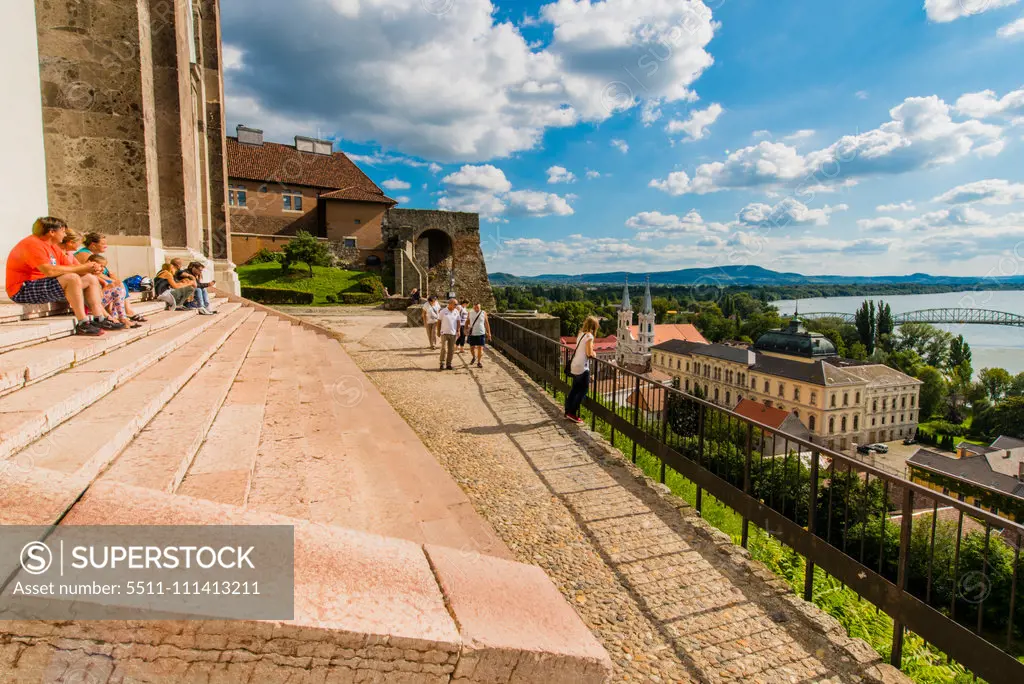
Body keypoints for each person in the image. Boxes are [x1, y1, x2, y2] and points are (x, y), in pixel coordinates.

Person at [5, 217, 121, 336]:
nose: (65, 234)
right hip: (22, 289)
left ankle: (99, 318)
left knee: (90, 279)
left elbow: (72, 267)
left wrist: (92, 270)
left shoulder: (53, 246)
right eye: (63, 231)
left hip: (42, 284)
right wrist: (83, 268)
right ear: (52, 232)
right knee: (72, 278)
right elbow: (49, 271)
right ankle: (83, 323)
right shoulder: (32, 244)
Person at [75, 232, 146, 323]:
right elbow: (92, 272)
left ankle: (124, 312)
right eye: (103, 244)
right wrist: (111, 279)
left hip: (99, 281)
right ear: (93, 245)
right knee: (117, 284)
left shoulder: (92, 254)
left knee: (119, 283)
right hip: (93, 283)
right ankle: (123, 313)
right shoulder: (85, 254)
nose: (106, 246)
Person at [564, 316, 599, 424]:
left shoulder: (581, 334)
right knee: (583, 390)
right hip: (582, 367)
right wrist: (594, 353)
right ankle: (573, 413)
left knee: (574, 389)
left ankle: (567, 411)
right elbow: (589, 353)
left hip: (574, 365)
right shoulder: (589, 336)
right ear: (594, 327)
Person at [88, 254, 137, 328]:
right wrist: (108, 287)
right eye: (101, 266)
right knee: (118, 291)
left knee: (119, 290)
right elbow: (94, 296)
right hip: (92, 305)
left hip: (100, 303)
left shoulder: (98, 276)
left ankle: (118, 316)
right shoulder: (90, 277)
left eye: (104, 267)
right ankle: (121, 318)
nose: (103, 269)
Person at [437, 298, 460, 371]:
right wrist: (438, 331)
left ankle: (449, 364)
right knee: (444, 348)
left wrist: (458, 330)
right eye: (455, 304)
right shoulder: (443, 311)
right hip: (444, 332)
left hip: (453, 333)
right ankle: (442, 363)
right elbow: (439, 321)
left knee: (451, 349)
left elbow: (458, 321)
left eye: (457, 304)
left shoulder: (456, 311)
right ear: (450, 304)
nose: (456, 305)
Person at [466, 302, 491, 369]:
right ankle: (474, 357)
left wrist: (489, 333)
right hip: (472, 333)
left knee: (480, 348)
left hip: (481, 333)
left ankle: (479, 362)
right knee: (472, 348)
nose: (477, 309)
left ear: (480, 307)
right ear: (473, 307)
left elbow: (486, 323)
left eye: (478, 307)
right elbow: (467, 321)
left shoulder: (483, 313)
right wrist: (465, 330)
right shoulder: (470, 313)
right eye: (475, 307)